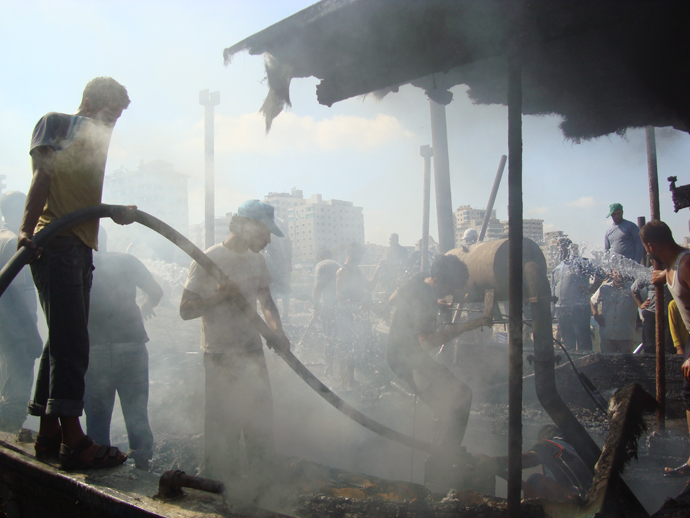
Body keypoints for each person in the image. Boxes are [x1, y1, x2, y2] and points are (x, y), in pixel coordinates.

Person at [19, 77, 135, 470]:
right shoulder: (59, 123)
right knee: (73, 345)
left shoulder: (97, 142)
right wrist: (26, 229)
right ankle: (75, 440)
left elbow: (84, 194)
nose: (112, 122)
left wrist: (112, 211)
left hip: (79, 245)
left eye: (117, 117)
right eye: (109, 113)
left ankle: (49, 432)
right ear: (88, 101)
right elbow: (43, 176)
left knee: (62, 338)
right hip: (58, 242)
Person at [179, 200, 290, 482]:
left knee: (260, 426)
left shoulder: (257, 260)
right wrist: (219, 297)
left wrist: (277, 331)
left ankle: (261, 488)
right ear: (246, 227)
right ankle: (219, 492)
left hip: (252, 353)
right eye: (265, 233)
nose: (267, 241)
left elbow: (266, 301)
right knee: (223, 430)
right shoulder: (210, 259)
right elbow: (185, 310)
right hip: (220, 356)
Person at [387, 254, 491, 459]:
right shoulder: (426, 298)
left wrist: (429, 307)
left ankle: (439, 452)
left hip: (397, 355)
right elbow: (426, 342)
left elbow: (392, 300)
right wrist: (467, 327)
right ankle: (447, 457)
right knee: (463, 396)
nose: (452, 293)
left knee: (442, 408)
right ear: (440, 281)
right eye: (452, 287)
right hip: (410, 362)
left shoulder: (419, 280)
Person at [83, 230, 163, 470]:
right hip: (132, 347)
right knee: (136, 413)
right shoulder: (126, 261)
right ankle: (144, 467)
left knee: (97, 417)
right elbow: (157, 291)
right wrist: (146, 305)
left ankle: (101, 472)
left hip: (94, 350)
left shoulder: (78, 263)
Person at [638, 220, 690, 477]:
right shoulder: (670, 267)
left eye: (646, 247)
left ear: (651, 245)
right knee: (689, 393)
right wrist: (662, 276)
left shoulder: (686, 263)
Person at [0, 192, 43, 433]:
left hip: (6, 330)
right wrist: (32, 333)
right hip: (16, 331)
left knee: (5, 384)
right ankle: (8, 439)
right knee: (16, 393)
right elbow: (15, 295)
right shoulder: (12, 244)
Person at [478, 425, 592, 502]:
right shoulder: (576, 448)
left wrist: (494, 462)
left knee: (535, 479)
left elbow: (529, 459)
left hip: (579, 502)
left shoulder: (549, 444)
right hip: (593, 498)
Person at [335, 242, 381, 388]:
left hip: (355, 315)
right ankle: (345, 381)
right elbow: (339, 294)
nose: (360, 257)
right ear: (351, 254)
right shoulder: (343, 271)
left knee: (354, 348)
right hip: (345, 316)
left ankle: (350, 379)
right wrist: (356, 305)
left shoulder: (356, 271)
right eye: (358, 254)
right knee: (346, 348)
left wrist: (378, 270)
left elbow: (370, 287)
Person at [551, 239, 595, 351]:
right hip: (561, 309)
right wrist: (552, 312)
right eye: (558, 249)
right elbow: (553, 291)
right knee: (567, 342)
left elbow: (600, 273)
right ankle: (570, 365)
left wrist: (591, 290)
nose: (560, 251)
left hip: (579, 308)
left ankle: (586, 365)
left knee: (583, 340)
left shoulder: (580, 263)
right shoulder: (557, 268)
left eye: (562, 248)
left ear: (569, 249)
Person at [590, 271, 638, 353]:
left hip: (625, 335)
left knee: (626, 363)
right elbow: (592, 301)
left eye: (621, 272)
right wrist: (595, 314)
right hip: (607, 334)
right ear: (612, 274)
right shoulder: (604, 288)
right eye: (616, 272)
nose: (619, 274)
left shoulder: (632, 289)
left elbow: (644, 301)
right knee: (608, 363)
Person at [631, 274, 673, 354]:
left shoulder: (670, 271)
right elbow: (634, 289)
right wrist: (640, 304)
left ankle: (668, 364)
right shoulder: (648, 273)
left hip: (668, 314)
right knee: (649, 345)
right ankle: (649, 364)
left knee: (669, 344)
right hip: (651, 313)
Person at [262, 215, 292, 322]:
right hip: (275, 260)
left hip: (278, 260)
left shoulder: (277, 221)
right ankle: (281, 314)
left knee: (279, 288)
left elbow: (287, 242)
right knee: (276, 288)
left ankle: (283, 315)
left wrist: (288, 262)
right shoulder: (280, 221)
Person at [312, 248, 340, 350]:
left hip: (328, 307)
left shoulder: (321, 265)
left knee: (328, 337)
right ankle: (341, 364)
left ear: (320, 258)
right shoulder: (338, 265)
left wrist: (316, 307)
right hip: (341, 305)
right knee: (340, 336)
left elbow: (317, 288)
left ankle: (329, 364)